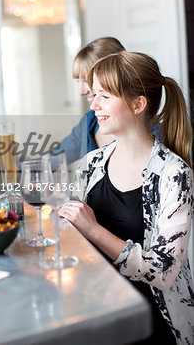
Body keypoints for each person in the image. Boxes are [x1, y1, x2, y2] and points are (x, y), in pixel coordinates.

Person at [58, 51, 194, 344]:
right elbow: (75, 236)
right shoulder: (92, 163)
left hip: (152, 321)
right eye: (94, 94)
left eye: (104, 96)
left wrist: (93, 229)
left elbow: (162, 272)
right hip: (95, 310)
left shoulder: (174, 174)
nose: (93, 104)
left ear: (137, 104)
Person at [52, 37, 125, 164]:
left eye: (86, 81)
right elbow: (54, 160)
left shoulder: (152, 135)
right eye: (78, 82)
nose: (81, 91)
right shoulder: (90, 122)